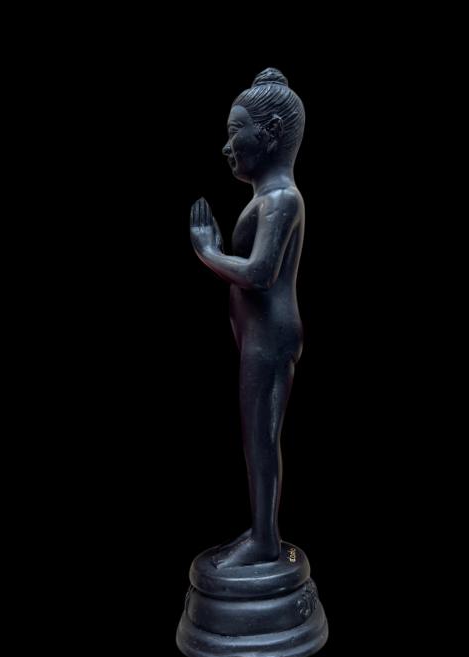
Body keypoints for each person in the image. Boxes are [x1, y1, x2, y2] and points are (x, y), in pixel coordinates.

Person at [190, 68, 306, 567]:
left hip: (270, 337)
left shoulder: (281, 199)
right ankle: (261, 533)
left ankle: (265, 540)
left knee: (261, 437)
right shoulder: (268, 199)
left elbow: (260, 273)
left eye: (235, 131)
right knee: (255, 436)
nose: (227, 146)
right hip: (261, 335)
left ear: (271, 131)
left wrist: (206, 250)